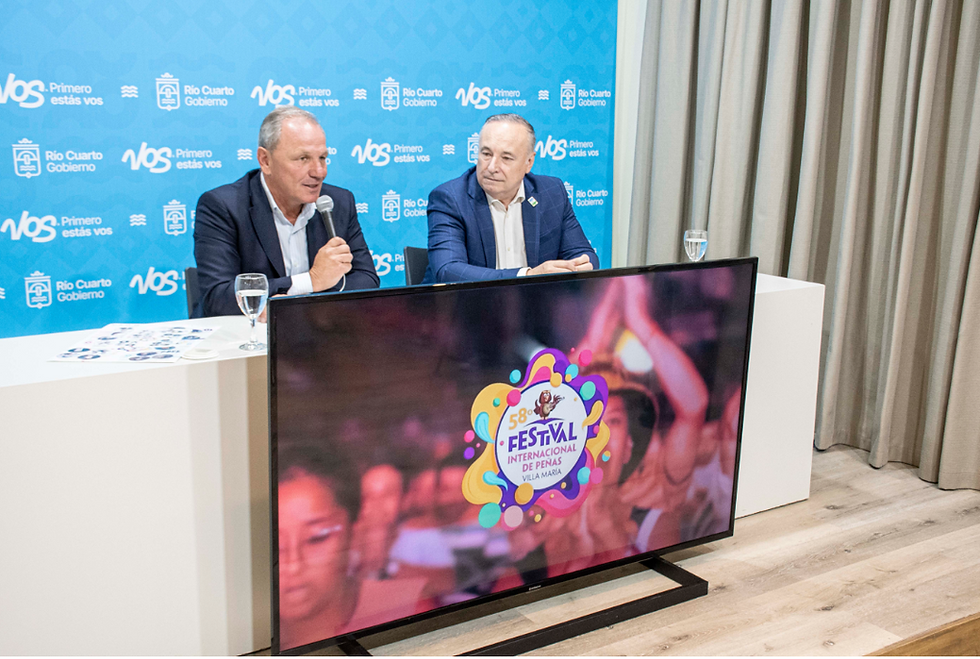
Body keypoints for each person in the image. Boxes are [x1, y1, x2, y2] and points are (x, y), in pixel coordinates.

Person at [193, 106, 378, 317]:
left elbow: (367, 280)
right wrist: (312, 281)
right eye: (303, 158)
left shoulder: (338, 202)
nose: (319, 172)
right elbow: (218, 298)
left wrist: (302, 306)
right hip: (245, 334)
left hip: (317, 329)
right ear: (265, 160)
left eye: (322, 158)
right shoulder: (223, 206)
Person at [423, 113, 599, 283]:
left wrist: (578, 266)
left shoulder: (551, 193)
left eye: (506, 158)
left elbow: (584, 254)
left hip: (535, 302)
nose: (491, 167)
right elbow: (448, 271)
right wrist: (528, 275)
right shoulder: (450, 199)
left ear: (529, 162)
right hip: (466, 302)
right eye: (486, 154)